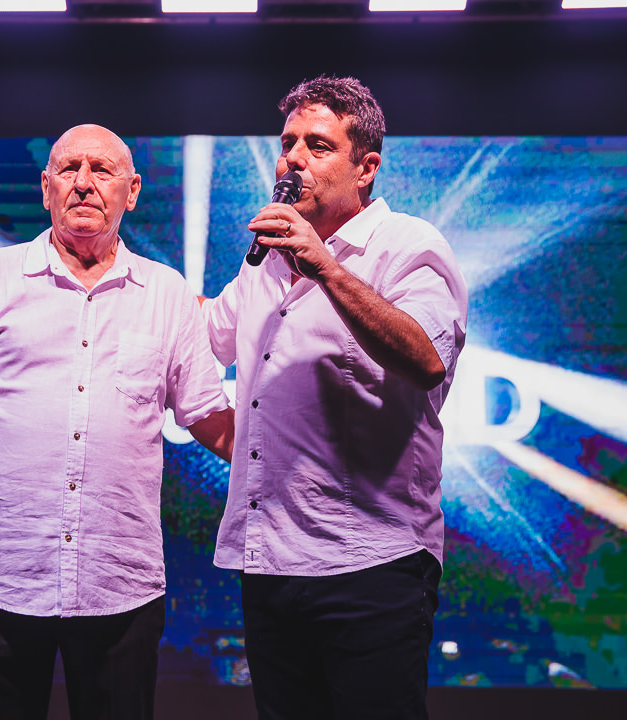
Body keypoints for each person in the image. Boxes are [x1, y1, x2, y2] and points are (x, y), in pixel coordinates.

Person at [0, 124, 234, 720]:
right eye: (69, 169)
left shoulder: (166, 293)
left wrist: (298, 455)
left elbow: (207, 415)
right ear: (45, 187)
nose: (84, 183)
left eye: (102, 170)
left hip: (119, 582)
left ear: (133, 191)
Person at [203, 76, 468, 719]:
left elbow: (426, 358)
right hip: (269, 561)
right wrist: (121, 272)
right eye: (287, 143)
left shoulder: (408, 244)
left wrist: (324, 265)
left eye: (317, 146)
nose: (293, 159)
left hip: (371, 564)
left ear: (366, 168)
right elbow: (203, 333)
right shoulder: (265, 261)